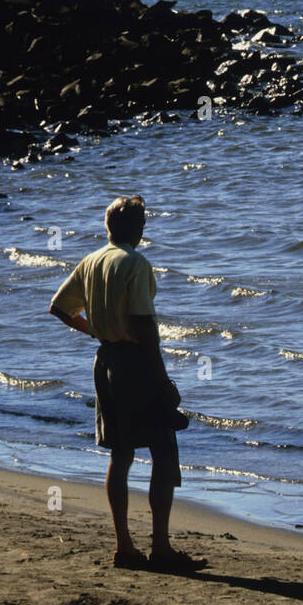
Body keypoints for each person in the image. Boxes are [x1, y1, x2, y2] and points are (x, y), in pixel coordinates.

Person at [49, 195, 205, 574]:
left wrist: (99, 332)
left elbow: (58, 307)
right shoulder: (135, 263)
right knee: (164, 450)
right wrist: (163, 380)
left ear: (107, 228)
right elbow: (144, 327)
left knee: (121, 455)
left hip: (106, 361)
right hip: (136, 363)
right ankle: (161, 548)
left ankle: (125, 546)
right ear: (139, 229)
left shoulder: (91, 261)